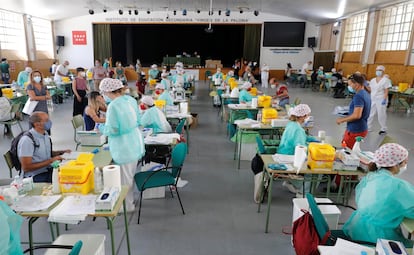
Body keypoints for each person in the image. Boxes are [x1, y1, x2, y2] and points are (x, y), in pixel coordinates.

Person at [343, 143, 413, 247]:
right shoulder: (397, 186)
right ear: (395, 165)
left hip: (356, 230)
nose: (405, 166)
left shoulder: (371, 176)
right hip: (377, 239)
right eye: (404, 163)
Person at [99, 78, 145, 212]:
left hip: (124, 146)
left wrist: (102, 129)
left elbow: (113, 129)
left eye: (104, 93)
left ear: (108, 91)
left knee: (125, 179)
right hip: (134, 141)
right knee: (128, 175)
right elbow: (137, 119)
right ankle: (128, 203)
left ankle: (127, 206)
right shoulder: (130, 100)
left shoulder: (113, 106)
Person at [18, 112, 71, 183]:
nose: (49, 122)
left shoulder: (45, 135)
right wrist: (51, 161)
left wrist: (62, 152)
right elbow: (26, 167)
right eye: (46, 120)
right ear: (37, 124)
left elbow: (45, 153)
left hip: (47, 170)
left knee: (71, 173)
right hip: (35, 176)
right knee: (66, 180)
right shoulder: (27, 141)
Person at [277, 104, 317, 195]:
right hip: (291, 156)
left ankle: (291, 183)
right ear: (303, 116)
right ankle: (303, 193)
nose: (308, 117)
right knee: (313, 170)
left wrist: (310, 139)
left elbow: (300, 138)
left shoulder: (292, 124)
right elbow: (301, 148)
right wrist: (314, 149)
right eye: (308, 115)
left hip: (283, 153)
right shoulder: (298, 129)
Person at [336, 73, 371, 149]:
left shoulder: (358, 96)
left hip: (355, 129)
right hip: (361, 127)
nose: (349, 87)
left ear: (357, 84)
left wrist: (342, 120)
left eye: (350, 84)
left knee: (347, 151)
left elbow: (357, 115)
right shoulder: (365, 93)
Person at [367, 65, 392, 135]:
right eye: (377, 70)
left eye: (380, 70)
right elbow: (371, 90)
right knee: (370, 113)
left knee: (381, 114)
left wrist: (384, 99)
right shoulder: (372, 80)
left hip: (381, 99)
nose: (378, 71)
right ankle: (368, 127)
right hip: (373, 98)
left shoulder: (386, 80)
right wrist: (366, 86)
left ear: (383, 72)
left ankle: (383, 128)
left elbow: (386, 90)